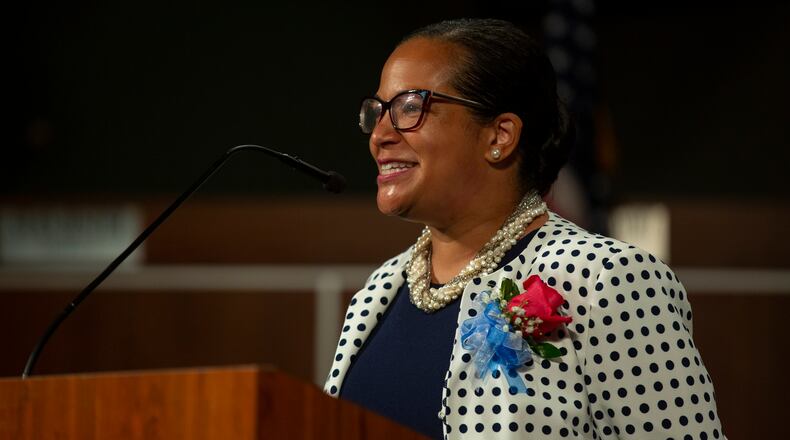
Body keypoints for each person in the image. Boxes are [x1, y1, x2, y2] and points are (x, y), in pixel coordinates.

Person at [324, 18, 725, 440]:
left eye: (409, 107)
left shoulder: (603, 279)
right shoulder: (379, 289)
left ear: (499, 135)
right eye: (377, 112)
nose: (379, 135)